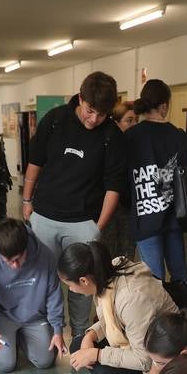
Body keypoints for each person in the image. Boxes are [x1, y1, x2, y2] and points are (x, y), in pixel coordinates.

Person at [23, 72, 128, 337]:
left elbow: (113, 187)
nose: (94, 119)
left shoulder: (112, 136)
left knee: (83, 283)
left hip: (83, 222)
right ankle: (45, 333)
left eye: (102, 115)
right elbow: (35, 161)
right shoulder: (56, 120)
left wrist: (97, 227)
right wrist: (26, 200)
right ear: (80, 99)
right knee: (44, 280)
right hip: (45, 215)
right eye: (90, 110)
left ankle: (81, 336)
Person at [60, 241, 178, 374]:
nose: (71, 289)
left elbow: (145, 359)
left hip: (162, 361)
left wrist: (98, 354)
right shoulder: (106, 272)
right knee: (79, 346)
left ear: (83, 280)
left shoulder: (132, 299)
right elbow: (112, 318)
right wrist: (91, 335)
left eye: (69, 285)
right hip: (135, 339)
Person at [0, 217, 66, 373]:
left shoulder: (45, 256)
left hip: (34, 317)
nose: (14, 266)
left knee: (45, 361)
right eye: (8, 261)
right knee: (6, 365)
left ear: (26, 248)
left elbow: (54, 296)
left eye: (17, 259)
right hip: (2, 317)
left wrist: (57, 330)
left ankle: (18, 337)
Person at [126, 79, 187, 282]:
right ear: (164, 105)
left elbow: (122, 179)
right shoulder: (178, 136)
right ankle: (184, 313)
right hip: (175, 216)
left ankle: (160, 315)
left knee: (153, 279)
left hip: (145, 216)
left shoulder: (130, 137)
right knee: (180, 275)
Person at [102, 99, 139, 263]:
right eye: (129, 120)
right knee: (107, 254)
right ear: (116, 123)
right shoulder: (107, 146)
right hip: (109, 207)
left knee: (126, 255)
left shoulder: (138, 146)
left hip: (130, 207)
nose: (134, 125)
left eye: (136, 120)